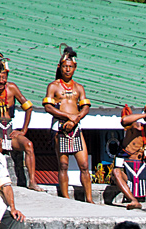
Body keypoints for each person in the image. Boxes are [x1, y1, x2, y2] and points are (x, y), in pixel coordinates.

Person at [0, 50, 40, 191]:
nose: (0, 81)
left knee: (29, 145)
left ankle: (32, 181)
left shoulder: (12, 88)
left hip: (12, 131)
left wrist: (23, 130)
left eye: (3, 77)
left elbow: (28, 107)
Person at [42, 46, 93, 202]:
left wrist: (75, 119)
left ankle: (89, 199)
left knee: (84, 165)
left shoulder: (79, 88)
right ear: (60, 67)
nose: (68, 70)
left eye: (70, 67)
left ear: (75, 68)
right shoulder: (54, 86)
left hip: (76, 128)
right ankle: (65, 197)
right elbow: (48, 106)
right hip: (60, 128)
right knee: (63, 164)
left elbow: (85, 106)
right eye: (65, 66)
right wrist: (67, 117)